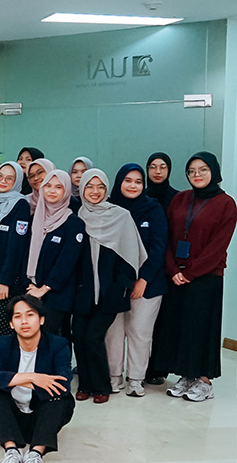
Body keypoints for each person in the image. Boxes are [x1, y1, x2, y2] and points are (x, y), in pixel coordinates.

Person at [150, 152, 237, 402]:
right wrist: (173, 269)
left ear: (214, 172)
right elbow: (166, 237)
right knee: (180, 327)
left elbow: (218, 247)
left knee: (202, 328)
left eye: (203, 169)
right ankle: (186, 375)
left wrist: (190, 272)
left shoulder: (226, 203)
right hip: (176, 275)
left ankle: (204, 381)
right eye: (192, 171)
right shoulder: (180, 199)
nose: (197, 175)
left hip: (206, 277)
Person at [0, 294, 74, 463]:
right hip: (11, 417)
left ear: (41, 319)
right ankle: (11, 452)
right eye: (17, 316)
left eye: (30, 315)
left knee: (59, 396)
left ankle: (35, 455)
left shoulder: (57, 345)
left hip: (41, 417)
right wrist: (32, 378)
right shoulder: (1, 344)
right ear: (11, 323)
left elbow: (63, 384)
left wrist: (12, 380)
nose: (24, 321)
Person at [73, 169, 147, 404]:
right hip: (83, 291)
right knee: (78, 336)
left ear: (107, 189)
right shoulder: (77, 216)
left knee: (93, 337)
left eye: (100, 187)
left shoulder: (121, 216)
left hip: (111, 292)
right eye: (89, 186)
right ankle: (84, 385)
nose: (95, 191)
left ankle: (101, 386)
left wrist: (122, 286)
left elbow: (131, 256)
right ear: (82, 189)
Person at [104, 164, 167, 397]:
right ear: (119, 182)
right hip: (115, 283)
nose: (133, 185)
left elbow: (159, 248)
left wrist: (143, 279)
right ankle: (114, 376)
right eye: (128, 180)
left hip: (147, 284)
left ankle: (136, 379)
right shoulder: (109, 208)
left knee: (140, 333)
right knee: (113, 333)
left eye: (138, 181)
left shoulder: (153, 209)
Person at [25, 170, 86, 336]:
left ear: (66, 191)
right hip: (32, 290)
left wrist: (44, 289)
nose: (52, 191)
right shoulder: (35, 218)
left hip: (57, 295)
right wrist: (31, 286)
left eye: (58, 187)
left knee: (51, 340)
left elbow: (67, 262)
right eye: (48, 186)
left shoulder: (74, 223)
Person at [0, 161, 31, 337]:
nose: (3, 181)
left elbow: (16, 247)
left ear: (17, 181)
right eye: (0, 176)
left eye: (9, 178)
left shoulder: (20, 204)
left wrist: (5, 281)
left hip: (5, 281)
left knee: (0, 330)